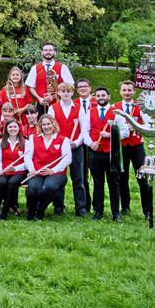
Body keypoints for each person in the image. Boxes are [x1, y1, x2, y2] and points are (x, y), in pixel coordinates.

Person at [81, 87, 130, 222]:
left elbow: (125, 132)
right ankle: (98, 211)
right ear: (95, 97)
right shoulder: (89, 112)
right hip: (95, 152)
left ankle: (116, 213)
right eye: (98, 96)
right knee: (98, 183)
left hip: (111, 153)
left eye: (103, 95)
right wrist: (91, 143)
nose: (101, 97)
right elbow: (85, 131)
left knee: (113, 183)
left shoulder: (116, 113)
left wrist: (111, 135)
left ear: (108, 96)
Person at [51, 82, 89, 216]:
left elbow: (84, 129)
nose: (66, 94)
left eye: (68, 91)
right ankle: (58, 207)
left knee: (78, 178)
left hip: (75, 147)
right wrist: (62, 142)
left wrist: (77, 143)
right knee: (59, 177)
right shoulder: (53, 108)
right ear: (59, 93)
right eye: (63, 91)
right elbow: (51, 129)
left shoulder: (79, 108)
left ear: (72, 93)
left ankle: (81, 208)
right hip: (59, 148)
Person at [115, 80, 150, 220]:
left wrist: (136, 127)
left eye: (129, 90)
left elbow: (148, 125)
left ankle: (147, 211)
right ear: (120, 92)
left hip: (137, 146)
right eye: (124, 90)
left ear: (134, 91)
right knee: (122, 178)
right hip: (121, 146)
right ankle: (125, 207)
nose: (127, 92)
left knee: (143, 178)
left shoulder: (141, 107)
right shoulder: (115, 107)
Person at [25, 114, 71, 220]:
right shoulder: (33, 138)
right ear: (40, 126)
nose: (46, 127)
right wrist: (32, 169)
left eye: (48, 124)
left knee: (49, 187)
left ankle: (40, 210)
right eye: (44, 124)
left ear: (53, 124)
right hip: (37, 171)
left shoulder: (63, 139)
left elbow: (68, 158)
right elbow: (27, 157)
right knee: (33, 188)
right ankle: (31, 211)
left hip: (56, 173)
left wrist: (53, 170)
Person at [25, 43, 75, 111]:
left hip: (59, 104)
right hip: (41, 104)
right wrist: (39, 98)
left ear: (55, 52)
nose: (48, 52)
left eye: (50, 50)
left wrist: (54, 96)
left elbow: (71, 86)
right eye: (45, 50)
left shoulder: (63, 67)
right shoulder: (35, 68)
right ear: (42, 52)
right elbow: (30, 87)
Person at [0, 119, 26, 220]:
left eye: (15, 127)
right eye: (10, 127)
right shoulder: (1, 142)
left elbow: (27, 162)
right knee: (1, 182)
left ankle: (5, 211)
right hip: (4, 171)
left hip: (19, 171)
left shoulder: (25, 142)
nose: (13, 129)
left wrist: (15, 168)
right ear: (6, 129)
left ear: (19, 128)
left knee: (12, 183)